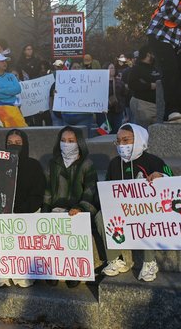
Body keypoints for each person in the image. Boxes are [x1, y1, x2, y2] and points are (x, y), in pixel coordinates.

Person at [96, 124, 172, 282]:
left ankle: (150, 263)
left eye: (126, 140)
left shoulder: (153, 160)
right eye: (118, 141)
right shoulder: (114, 163)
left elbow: (174, 178)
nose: (122, 145)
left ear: (138, 140)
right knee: (101, 216)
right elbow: (108, 189)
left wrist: (161, 176)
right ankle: (115, 259)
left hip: (146, 211)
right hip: (121, 211)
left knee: (146, 213)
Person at [0, 129, 45, 288]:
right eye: (10, 143)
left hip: (28, 211)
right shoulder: (0, 165)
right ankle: (2, 276)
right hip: (4, 211)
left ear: (24, 145)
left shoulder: (34, 166)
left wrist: (18, 211)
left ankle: (22, 276)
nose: (14, 146)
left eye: (18, 143)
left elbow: (37, 195)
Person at [43, 126, 98, 287]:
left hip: (77, 210)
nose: (66, 144)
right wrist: (45, 210)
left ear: (79, 143)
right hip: (56, 209)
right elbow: (47, 191)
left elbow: (90, 190)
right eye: (63, 141)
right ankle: (52, 269)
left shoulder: (87, 164)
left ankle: (74, 271)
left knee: (74, 230)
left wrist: (81, 208)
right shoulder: (53, 163)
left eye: (71, 141)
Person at [127, 45, 161, 129]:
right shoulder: (137, 68)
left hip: (156, 105)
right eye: (152, 53)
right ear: (147, 54)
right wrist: (149, 86)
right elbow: (132, 84)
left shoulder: (155, 67)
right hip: (143, 104)